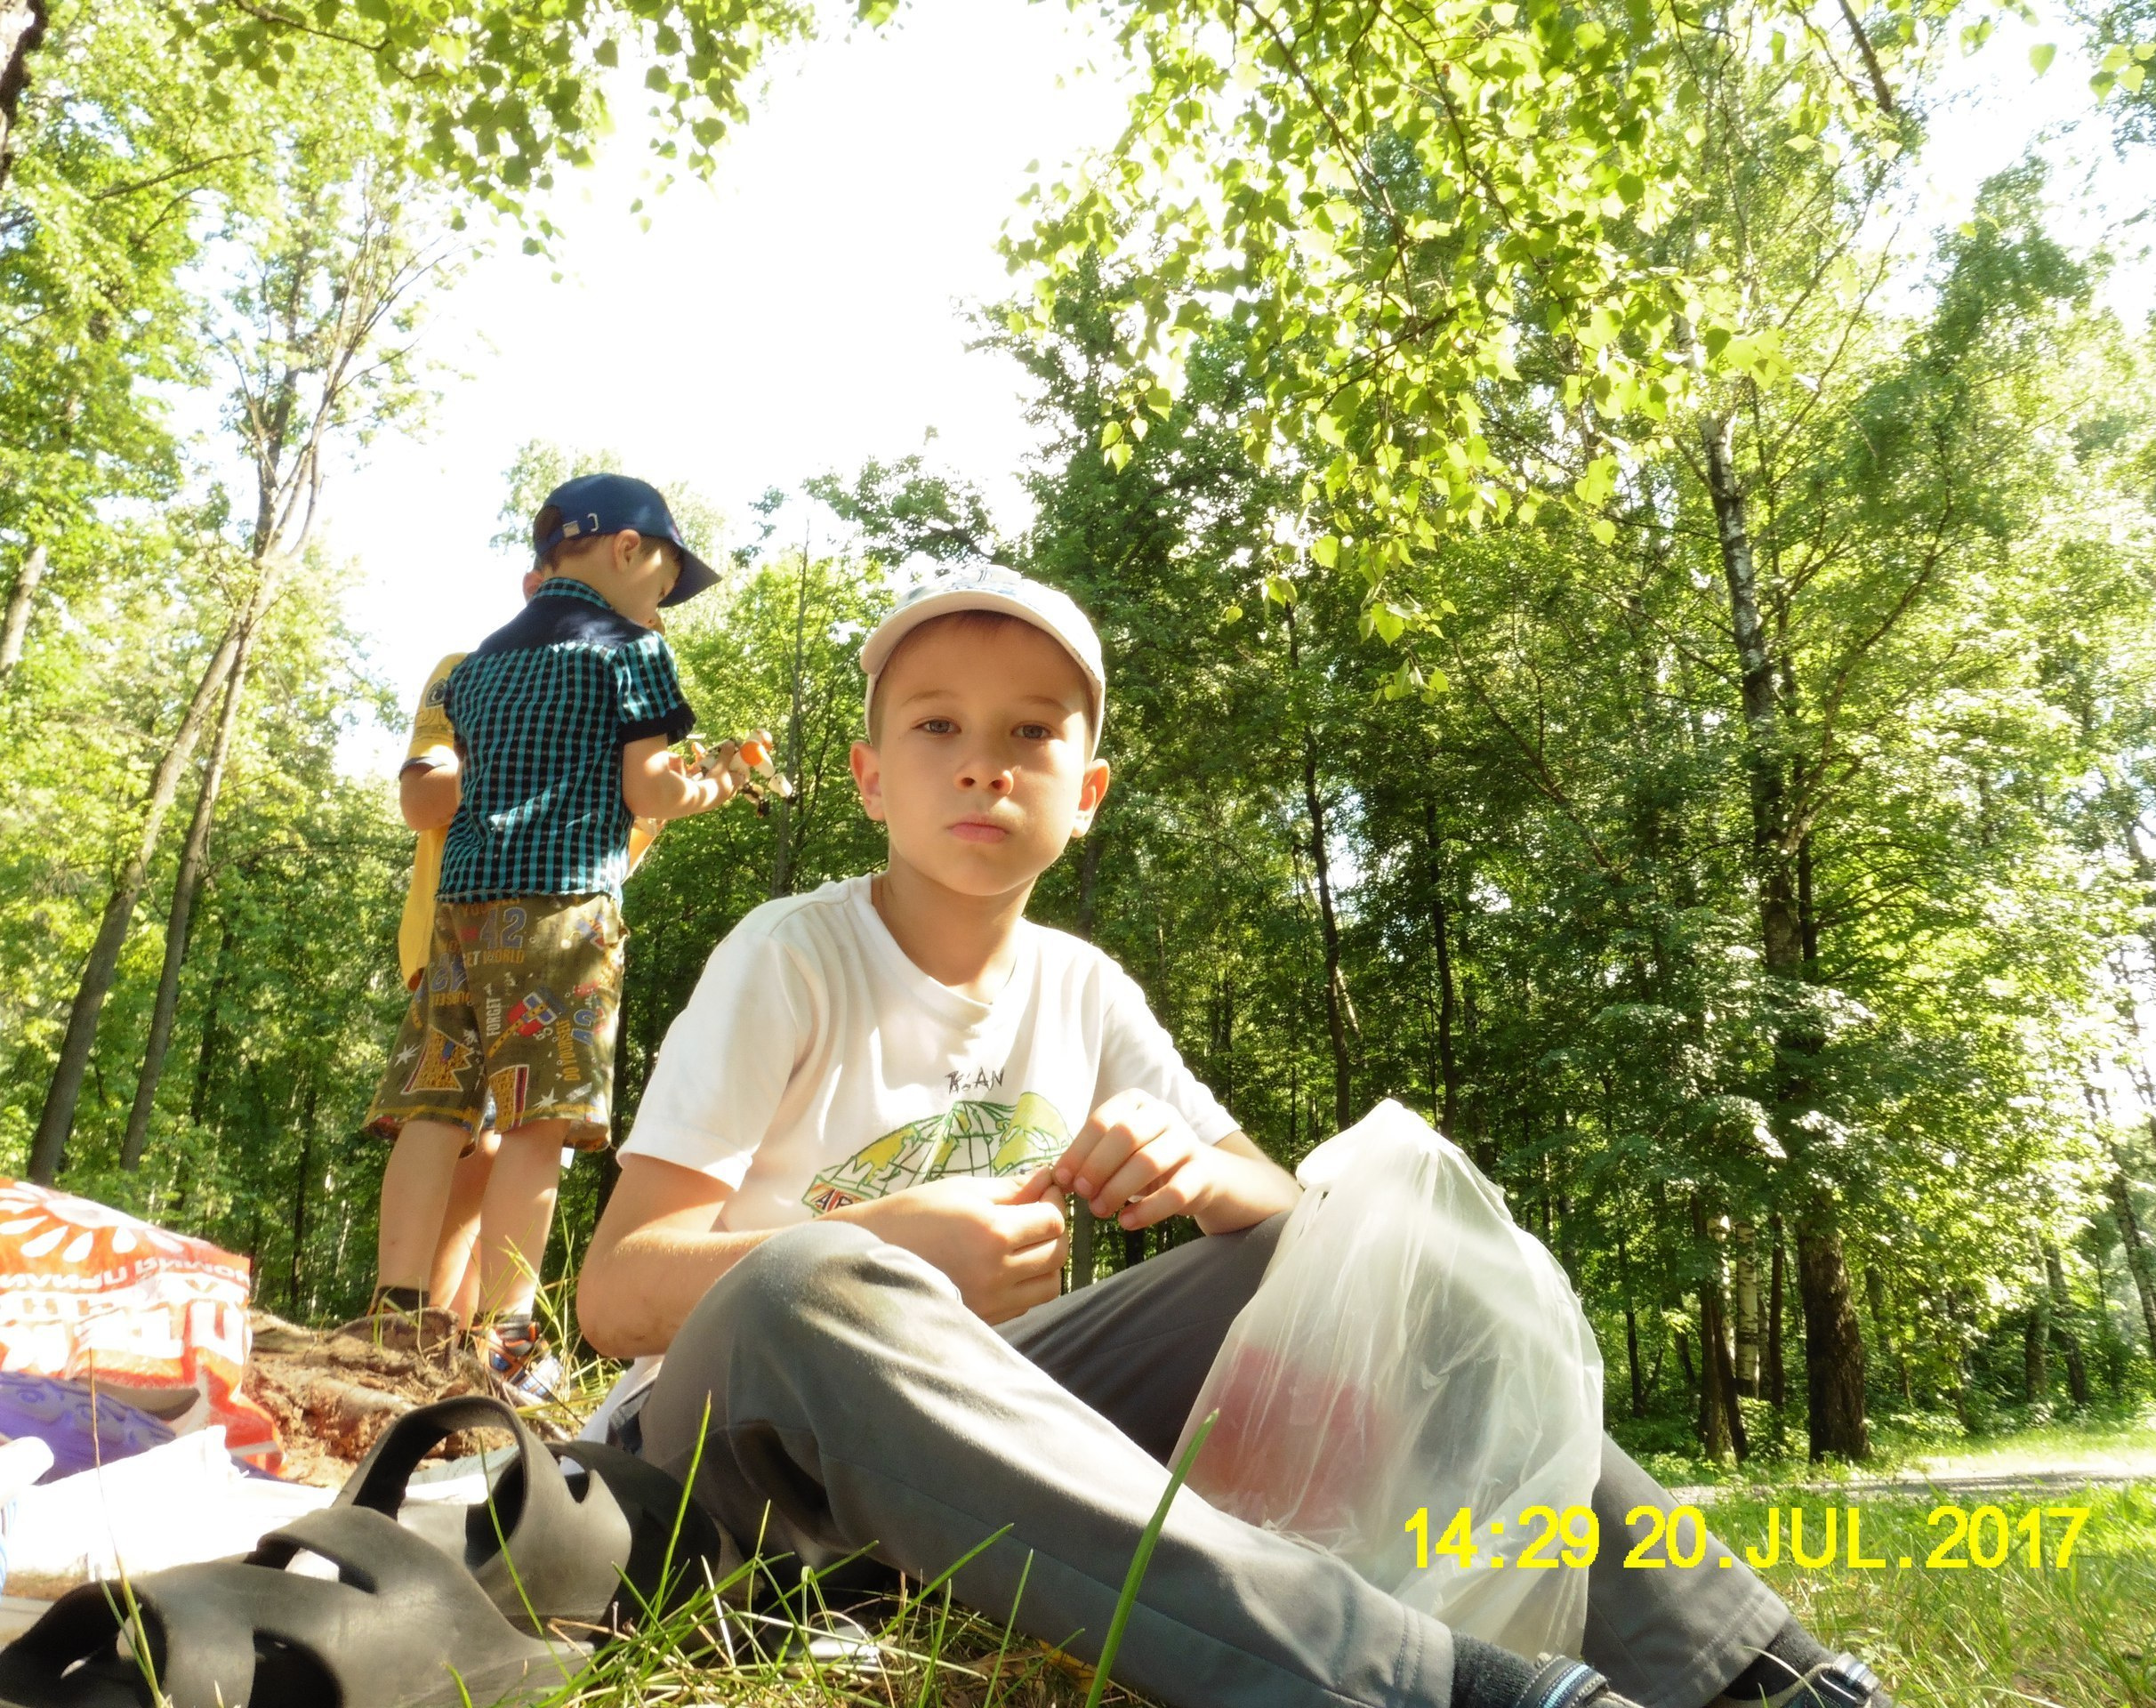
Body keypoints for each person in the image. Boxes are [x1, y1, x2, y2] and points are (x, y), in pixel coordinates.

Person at [574, 568, 1896, 1708]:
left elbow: (1301, 1232)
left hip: (994, 1476)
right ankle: (1443, 1686)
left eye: (1031, 732)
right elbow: (620, 1292)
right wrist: (887, 1246)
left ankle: (1755, 1672)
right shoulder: (791, 956)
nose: (984, 763)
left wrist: (1204, 1175)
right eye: (936, 727)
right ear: (869, 777)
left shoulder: (1086, 986)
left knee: (1383, 1248)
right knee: (817, 1285)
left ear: (1084, 792)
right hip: (744, 1471)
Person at [362, 471, 752, 1391]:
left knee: (434, 1111)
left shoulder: (478, 663)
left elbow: (450, 788)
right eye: (663, 578)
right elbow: (648, 792)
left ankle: (394, 1313)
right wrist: (715, 785)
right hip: (564, 911)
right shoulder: (633, 654)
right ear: (626, 549)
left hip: (461, 910)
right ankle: (506, 1336)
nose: (662, 600)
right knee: (537, 1126)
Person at [387, 575, 677, 1387]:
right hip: (487, 928)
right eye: (655, 584)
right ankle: (456, 1334)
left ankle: (437, 1339)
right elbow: (422, 795)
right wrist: (534, 769)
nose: (656, 609)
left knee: (484, 1138)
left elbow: (629, 826)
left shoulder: (574, 680)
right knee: (500, 1131)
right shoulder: (473, 667)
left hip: (511, 927)